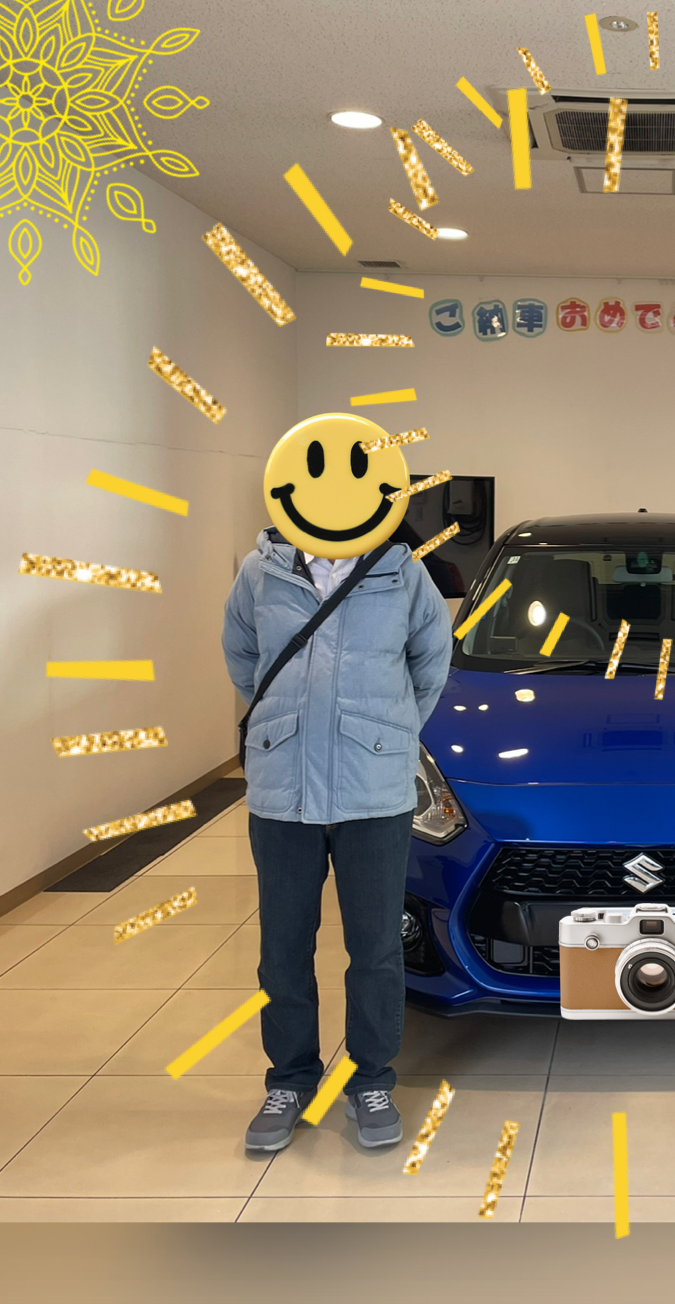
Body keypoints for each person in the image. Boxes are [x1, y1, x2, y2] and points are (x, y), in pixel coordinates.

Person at [222, 419, 452, 1156]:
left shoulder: (402, 572)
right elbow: (242, 655)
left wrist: (384, 732)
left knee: (375, 947)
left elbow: (431, 663)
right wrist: (286, 724)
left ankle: (369, 1077)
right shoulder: (260, 572)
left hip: (373, 793)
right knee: (283, 947)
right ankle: (289, 1080)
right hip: (282, 791)